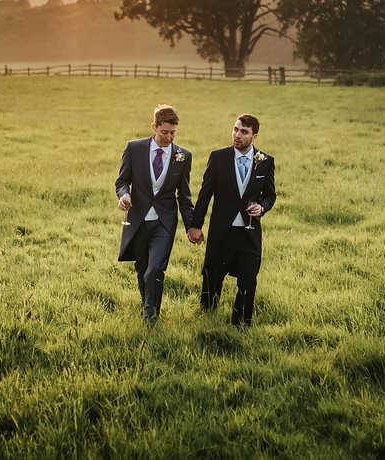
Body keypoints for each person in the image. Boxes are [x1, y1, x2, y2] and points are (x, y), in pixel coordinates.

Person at [187, 114, 276, 327]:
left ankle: (241, 324)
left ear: (254, 136)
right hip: (221, 231)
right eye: (235, 129)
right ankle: (207, 319)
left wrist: (262, 207)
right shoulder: (218, 157)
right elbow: (205, 194)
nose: (237, 135)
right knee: (212, 277)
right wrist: (195, 226)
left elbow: (270, 194)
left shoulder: (265, 161)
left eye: (243, 132)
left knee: (248, 279)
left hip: (249, 232)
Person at [115, 104, 195, 323]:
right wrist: (124, 196)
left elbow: (185, 196)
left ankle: (151, 318)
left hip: (164, 223)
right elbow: (122, 181)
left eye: (173, 133)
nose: (169, 137)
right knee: (142, 270)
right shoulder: (134, 148)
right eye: (164, 132)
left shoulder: (183, 156)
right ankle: (147, 305)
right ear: (154, 127)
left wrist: (192, 227)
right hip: (138, 220)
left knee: (155, 270)